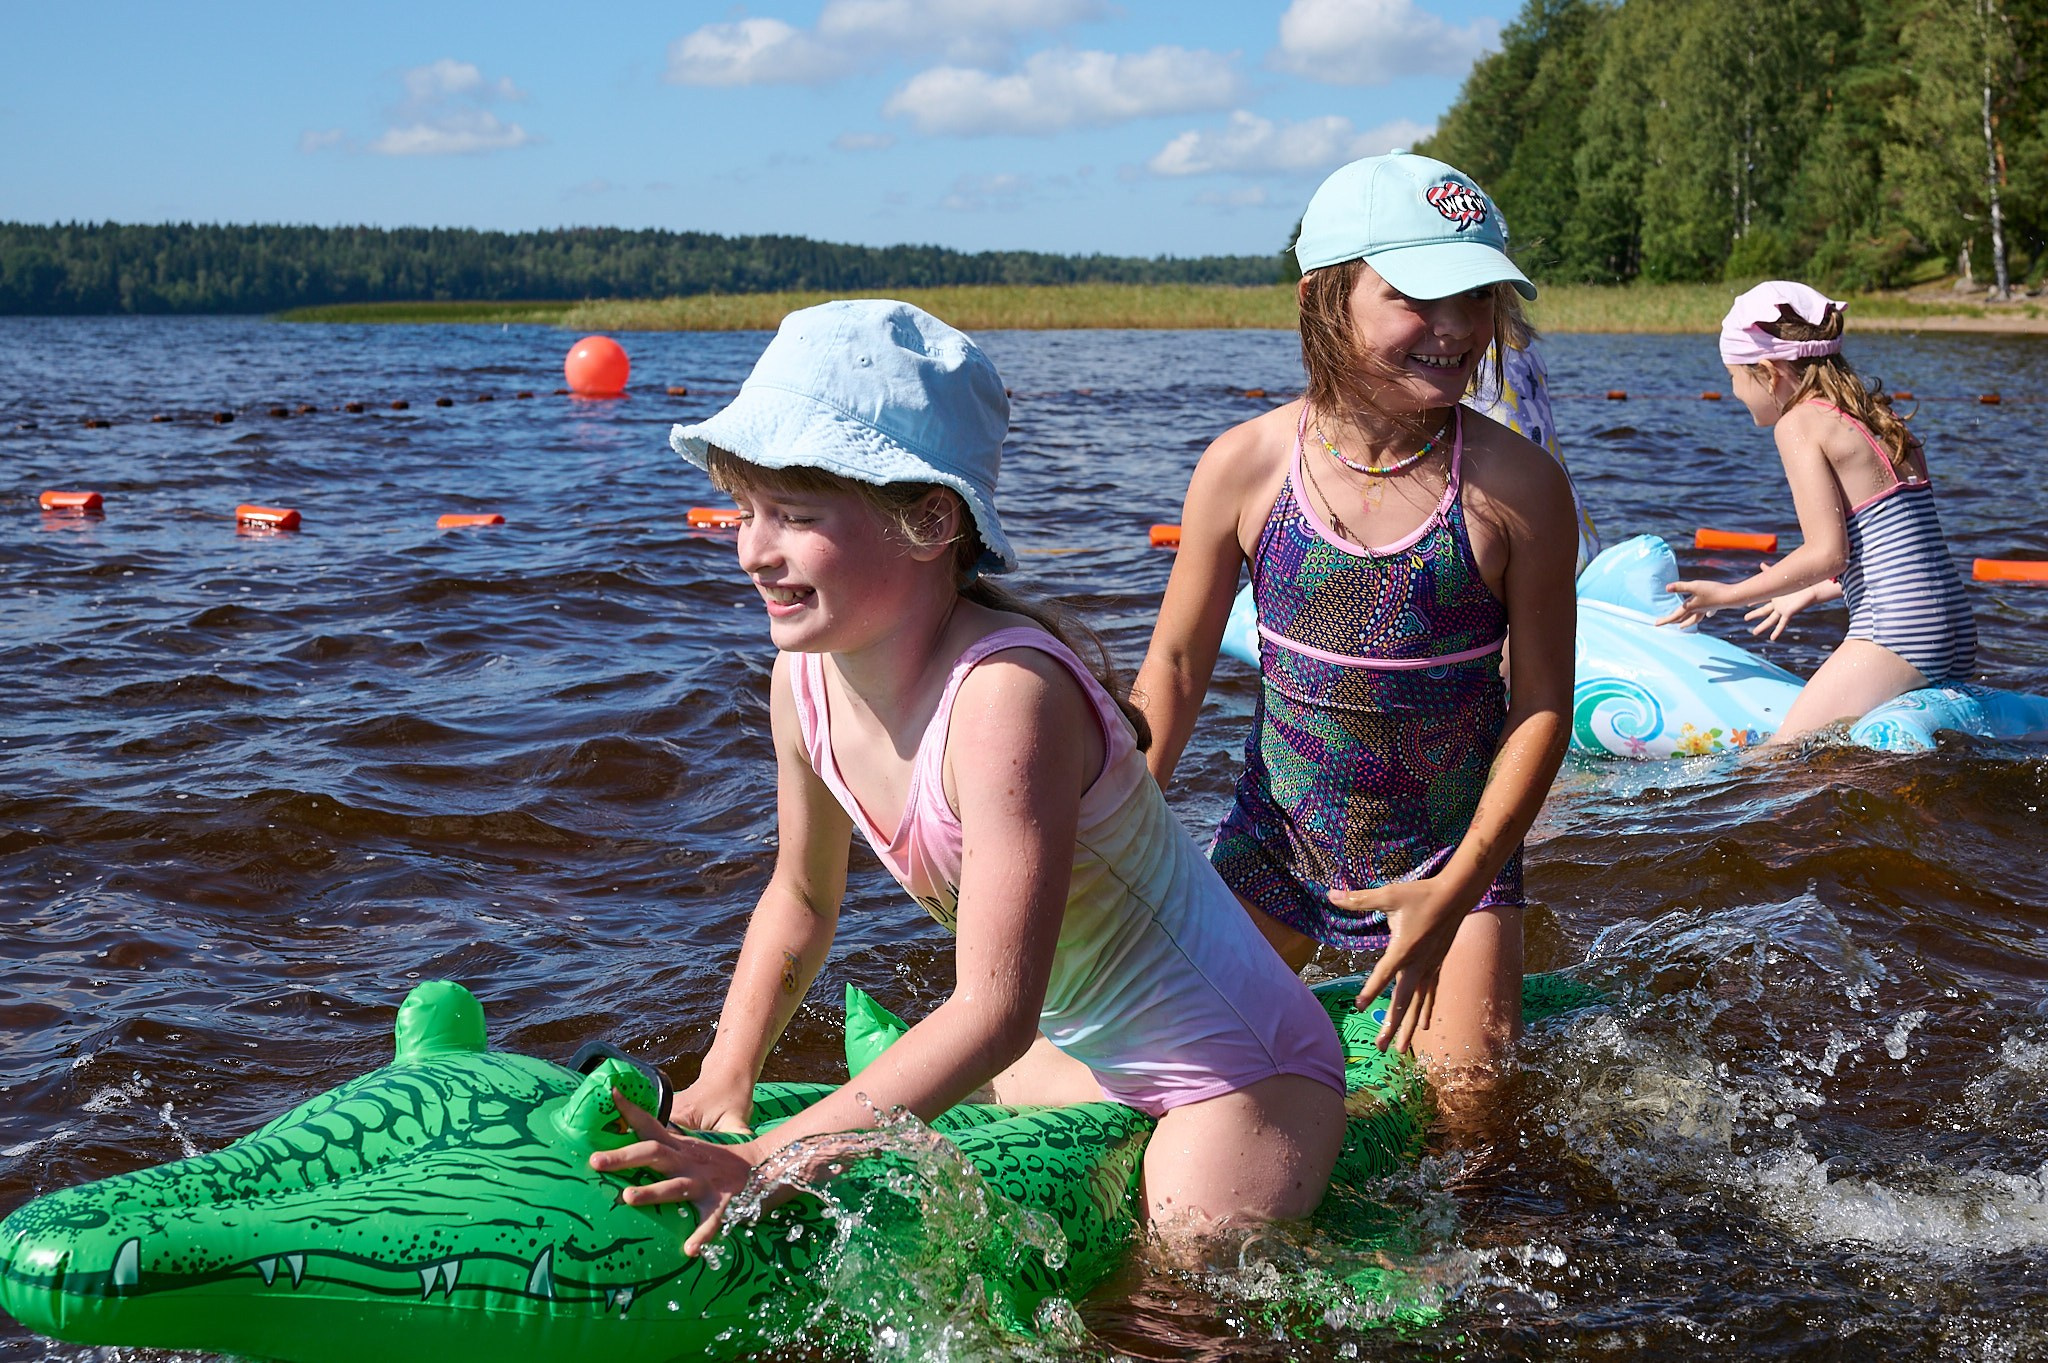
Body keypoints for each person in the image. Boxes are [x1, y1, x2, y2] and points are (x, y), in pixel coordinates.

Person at [592, 299, 1346, 1257]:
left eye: (795, 516)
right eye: (747, 512)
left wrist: (768, 1158)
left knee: (1180, 1284)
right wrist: (726, 1074)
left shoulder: (1005, 698)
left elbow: (994, 1011)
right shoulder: (802, 681)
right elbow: (801, 897)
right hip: (1079, 1059)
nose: (754, 550)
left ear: (929, 520)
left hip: (1233, 1071)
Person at [1131, 153, 1578, 1081]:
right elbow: (1174, 667)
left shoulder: (1519, 489)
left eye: (1478, 296)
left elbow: (1540, 704)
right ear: (1322, 299)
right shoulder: (1247, 466)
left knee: (1472, 1105)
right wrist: (1112, 844)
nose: (1457, 328)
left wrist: (1461, 885)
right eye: (1418, 297)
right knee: (1167, 1071)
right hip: (1277, 840)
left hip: (1453, 854)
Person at [1658, 281, 1976, 743]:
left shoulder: (1799, 423)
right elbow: (1895, 547)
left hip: (1897, 632)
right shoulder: (1879, 417)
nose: (1734, 392)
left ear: (1769, 372)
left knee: (1776, 759)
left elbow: (1828, 553)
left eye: (1733, 376)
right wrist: (1807, 594)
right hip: (1954, 624)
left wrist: (1726, 595)